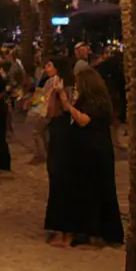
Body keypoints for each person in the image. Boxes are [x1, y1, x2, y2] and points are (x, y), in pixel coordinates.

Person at [54, 68, 125, 247]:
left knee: (95, 191)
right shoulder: (91, 99)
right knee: (88, 191)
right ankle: (87, 232)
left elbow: (84, 120)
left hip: (95, 152)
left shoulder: (97, 102)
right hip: (87, 151)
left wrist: (68, 105)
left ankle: (96, 236)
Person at [43, 57, 78, 247]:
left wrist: (54, 97)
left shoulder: (63, 86)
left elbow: (49, 110)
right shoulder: (55, 84)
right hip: (59, 131)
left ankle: (65, 232)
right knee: (58, 180)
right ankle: (61, 229)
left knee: (61, 180)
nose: (46, 68)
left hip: (63, 132)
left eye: (49, 64)